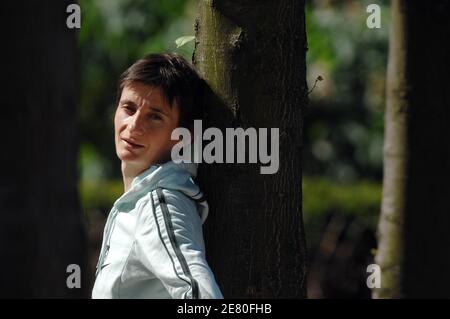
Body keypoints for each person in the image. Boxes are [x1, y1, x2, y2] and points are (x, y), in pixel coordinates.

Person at [92, 53, 223, 299]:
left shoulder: (158, 205)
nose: (133, 126)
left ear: (184, 136)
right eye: (128, 108)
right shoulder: (142, 200)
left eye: (154, 116)